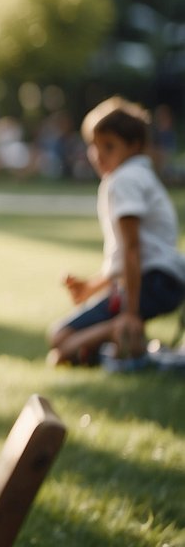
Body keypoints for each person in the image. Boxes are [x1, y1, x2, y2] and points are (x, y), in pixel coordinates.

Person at [47, 97, 185, 366]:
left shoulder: (123, 180)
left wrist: (130, 313)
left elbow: (134, 249)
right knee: (64, 348)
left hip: (151, 282)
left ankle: (117, 332)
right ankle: (114, 348)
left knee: (59, 336)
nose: (98, 155)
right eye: (93, 146)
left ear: (134, 146)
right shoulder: (141, 176)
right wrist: (91, 287)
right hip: (164, 280)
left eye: (109, 146)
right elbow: (128, 255)